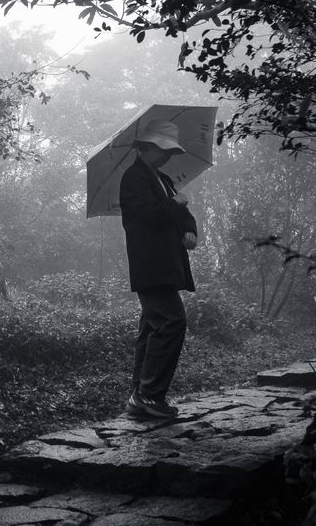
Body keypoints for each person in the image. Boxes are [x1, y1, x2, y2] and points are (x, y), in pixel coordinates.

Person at [119, 119, 198, 419]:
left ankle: (140, 396)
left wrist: (189, 229)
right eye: (163, 150)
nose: (167, 156)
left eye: (169, 152)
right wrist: (176, 206)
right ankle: (149, 395)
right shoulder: (134, 178)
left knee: (153, 327)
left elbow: (184, 214)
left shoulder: (163, 178)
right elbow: (152, 216)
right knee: (171, 322)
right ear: (147, 148)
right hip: (150, 264)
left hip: (167, 264)